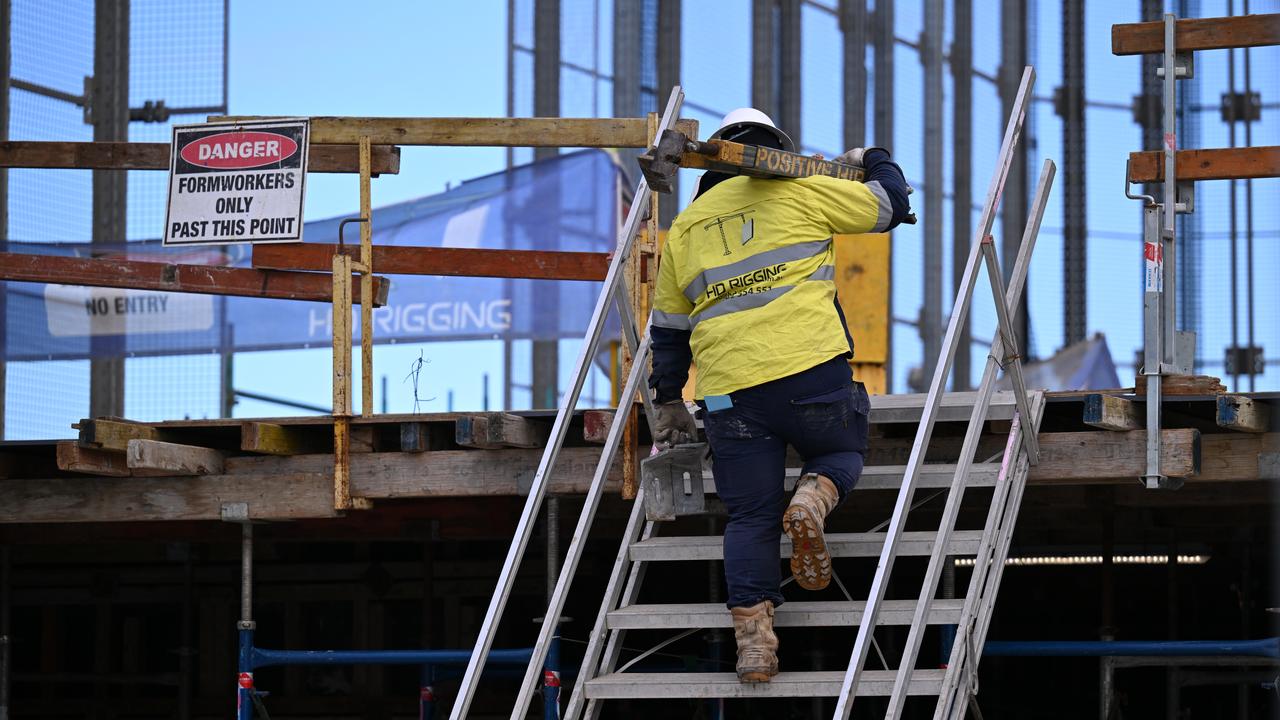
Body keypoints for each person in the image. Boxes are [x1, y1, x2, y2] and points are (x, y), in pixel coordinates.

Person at [647, 107, 913, 683]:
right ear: (776, 150)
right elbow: (893, 206)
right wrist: (871, 158)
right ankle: (813, 499)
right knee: (841, 453)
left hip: (726, 396)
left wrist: (668, 398)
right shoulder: (802, 190)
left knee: (749, 516)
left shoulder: (686, 230)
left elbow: (667, 331)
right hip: (810, 370)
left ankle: (755, 647)